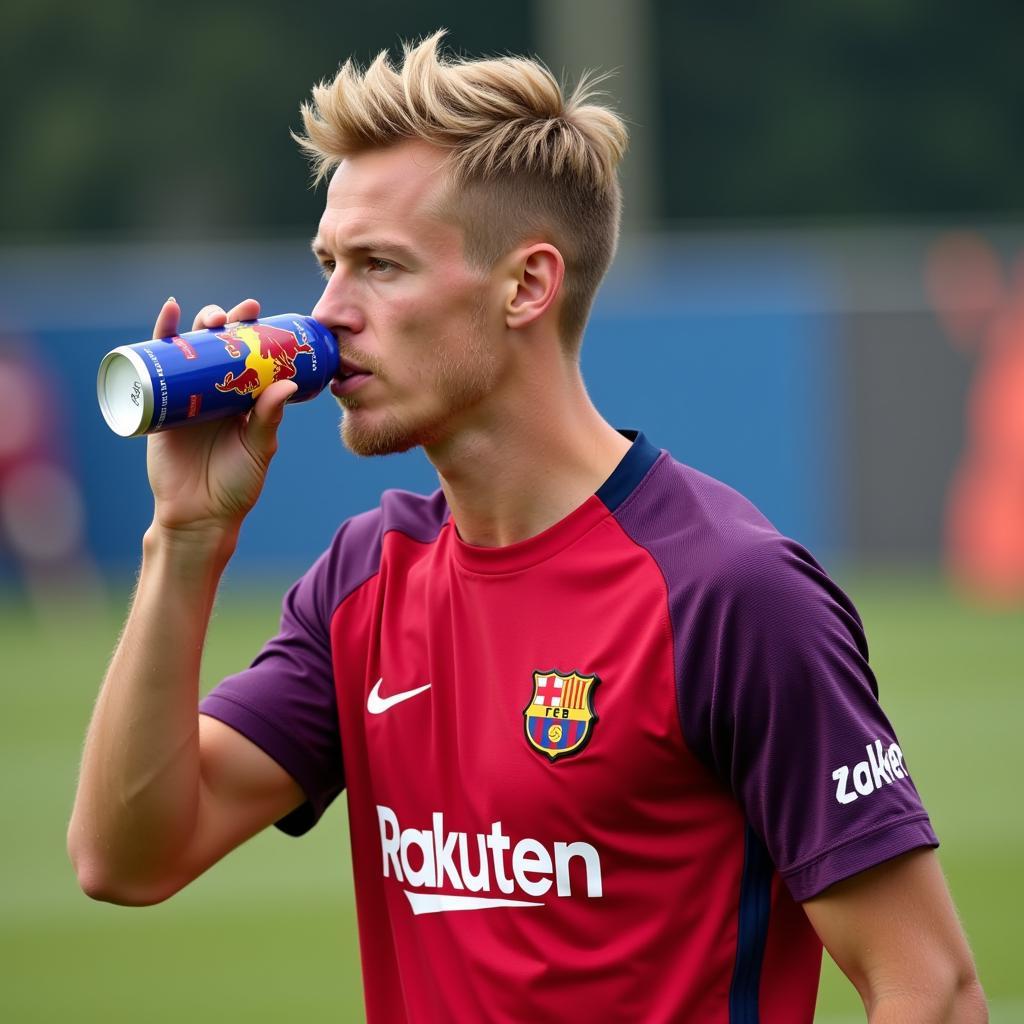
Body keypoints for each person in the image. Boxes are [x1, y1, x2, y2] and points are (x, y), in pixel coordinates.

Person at [69, 31, 986, 1023]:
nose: (327, 313)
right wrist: (185, 540)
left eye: (380, 266)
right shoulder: (363, 579)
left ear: (526, 285)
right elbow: (127, 856)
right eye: (328, 264)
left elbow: (927, 988)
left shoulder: (729, 593)